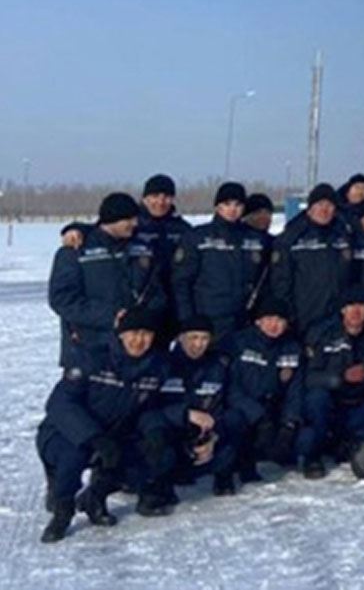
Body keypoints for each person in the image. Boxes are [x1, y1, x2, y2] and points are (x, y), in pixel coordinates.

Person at [36, 307, 171, 543]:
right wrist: (93, 437)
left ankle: (95, 498)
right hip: (66, 432)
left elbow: (149, 407)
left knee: (147, 453)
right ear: (121, 334)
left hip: (114, 433)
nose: (139, 340)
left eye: (146, 334)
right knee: (73, 456)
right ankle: (62, 511)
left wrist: (154, 430)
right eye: (133, 333)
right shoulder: (91, 358)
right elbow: (61, 404)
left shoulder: (156, 367)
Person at [49, 192, 166, 368]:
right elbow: (62, 299)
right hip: (88, 349)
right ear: (112, 219)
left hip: (135, 348)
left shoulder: (142, 249)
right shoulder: (75, 250)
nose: (135, 224)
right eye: (129, 219)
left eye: (135, 219)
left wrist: (143, 317)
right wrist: (112, 316)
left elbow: (156, 290)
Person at [296, 287, 364, 479]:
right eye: (350, 306)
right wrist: (340, 377)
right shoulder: (322, 333)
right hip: (331, 405)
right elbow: (308, 377)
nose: (356, 312)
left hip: (360, 404)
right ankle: (313, 457)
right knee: (316, 402)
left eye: (361, 307)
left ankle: (350, 443)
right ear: (342, 310)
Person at [222, 298, 304, 485]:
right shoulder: (238, 342)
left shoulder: (291, 348)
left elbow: (295, 389)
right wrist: (257, 414)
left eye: (279, 320)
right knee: (233, 421)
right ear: (258, 321)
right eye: (268, 319)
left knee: (304, 439)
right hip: (243, 406)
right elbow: (230, 386)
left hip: (273, 407)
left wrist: (289, 423)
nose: (274, 325)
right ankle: (228, 469)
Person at [153, 315, 237, 497]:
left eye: (204, 338)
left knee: (234, 425)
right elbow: (150, 408)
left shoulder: (218, 367)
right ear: (180, 338)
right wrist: (185, 414)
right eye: (193, 337)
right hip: (172, 433)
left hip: (203, 435)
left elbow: (225, 403)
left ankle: (223, 476)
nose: (198, 344)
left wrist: (213, 436)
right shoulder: (161, 365)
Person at [173, 182, 269, 337]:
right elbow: (181, 283)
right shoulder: (197, 237)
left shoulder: (256, 239)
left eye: (238, 205)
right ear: (217, 206)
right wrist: (187, 320)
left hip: (245, 320)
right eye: (227, 204)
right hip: (208, 320)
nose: (232, 209)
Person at [270, 183, 354, 338]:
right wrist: (289, 316)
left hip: (337, 319)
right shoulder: (292, 236)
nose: (324, 210)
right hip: (303, 319)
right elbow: (281, 282)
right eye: (320, 204)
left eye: (329, 205)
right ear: (310, 208)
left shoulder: (343, 235)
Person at [136, 173, 193, 325]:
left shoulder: (182, 228)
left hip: (175, 302)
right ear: (145, 198)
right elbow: (102, 232)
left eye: (166, 197)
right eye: (155, 196)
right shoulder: (132, 224)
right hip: (143, 302)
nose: (161, 202)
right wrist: (78, 230)